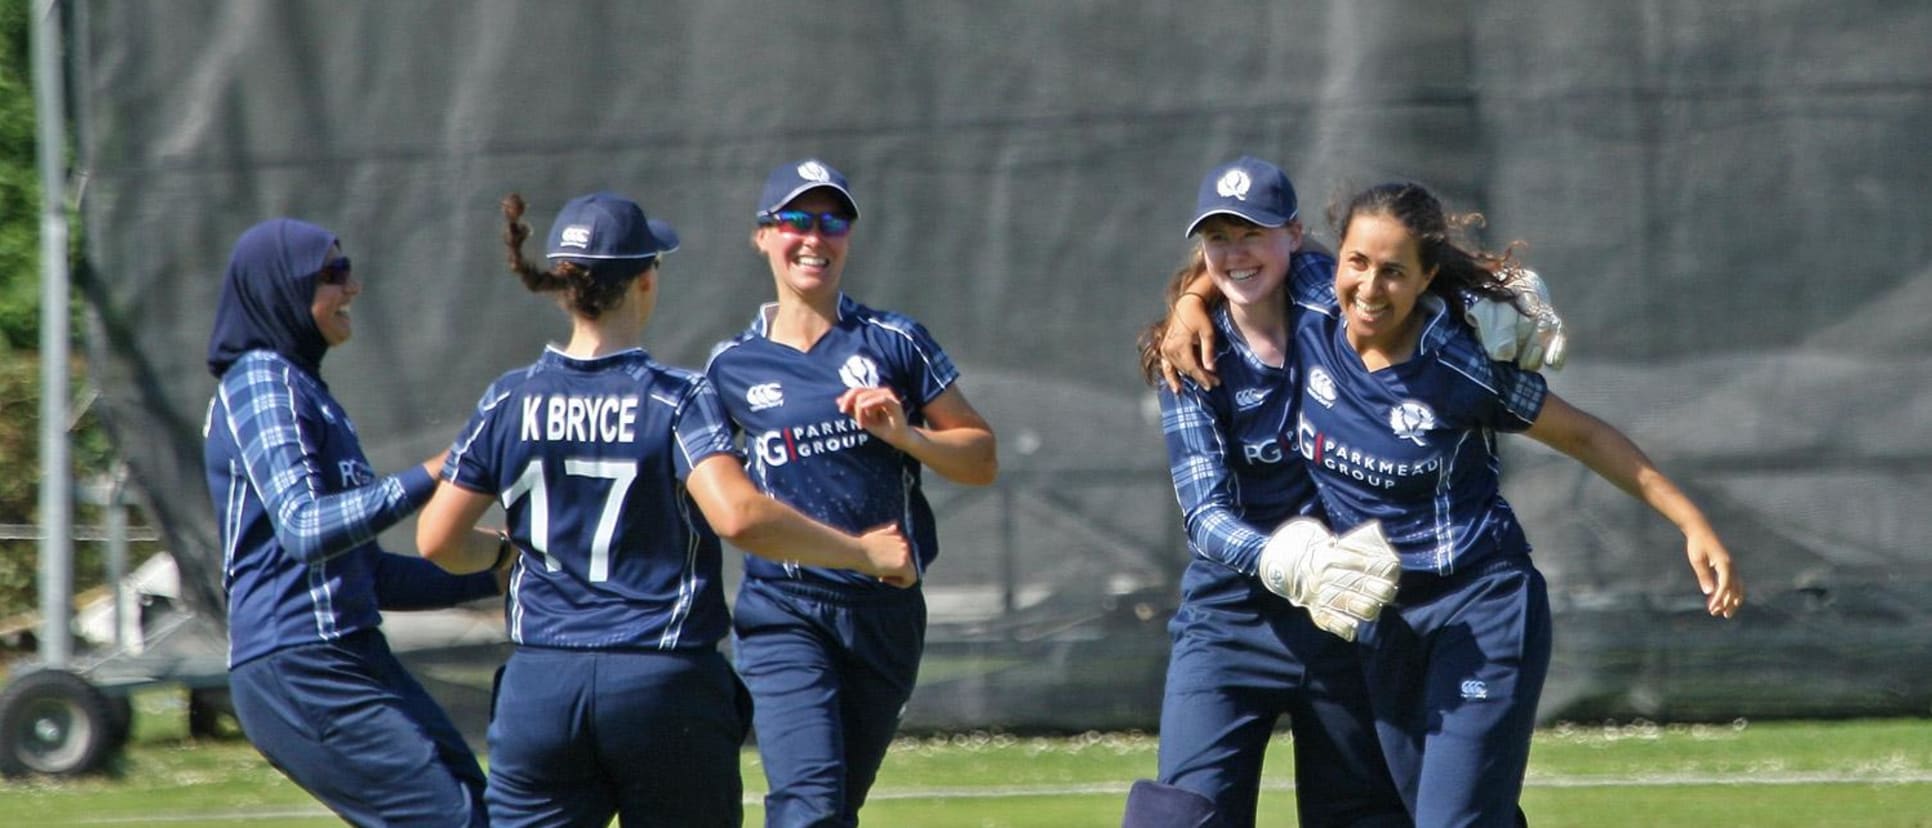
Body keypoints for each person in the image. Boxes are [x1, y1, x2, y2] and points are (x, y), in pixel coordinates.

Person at [414, 191, 919, 828]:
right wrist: (864, 552)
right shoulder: (677, 398)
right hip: (661, 676)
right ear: (647, 280)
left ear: (563, 286)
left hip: (540, 682)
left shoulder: (509, 397)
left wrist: (504, 553)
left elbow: (437, 540)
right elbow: (738, 516)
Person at [1283, 180, 1744, 825]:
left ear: (1426, 278)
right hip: (1383, 621)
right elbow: (1236, 261)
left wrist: (1691, 523)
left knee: (1454, 820)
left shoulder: (1457, 368)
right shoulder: (1307, 309)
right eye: (1356, 262)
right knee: (1443, 812)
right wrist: (1190, 304)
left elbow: (1583, 433)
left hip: (1478, 610)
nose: (1368, 286)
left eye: (1393, 271)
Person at [704, 159, 999, 827]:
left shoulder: (893, 341)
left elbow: (981, 458)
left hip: (885, 614)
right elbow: (713, 492)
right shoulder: (732, 366)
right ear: (762, 236)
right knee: (808, 807)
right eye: (797, 221)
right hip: (785, 609)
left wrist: (909, 436)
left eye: (833, 221)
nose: (816, 238)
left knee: (837, 808)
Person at [1122, 157, 1411, 828]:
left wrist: (1500, 292)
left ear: (1295, 234)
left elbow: (1404, 268)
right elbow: (1204, 517)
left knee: (1367, 816)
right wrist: (1291, 558)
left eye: (1251, 232)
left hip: (1347, 615)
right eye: (1217, 238)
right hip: (1231, 620)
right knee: (1181, 819)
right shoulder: (1191, 354)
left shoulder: (1332, 301)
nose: (1235, 253)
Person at [203, 217, 504, 827]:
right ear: (283, 290)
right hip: (299, 664)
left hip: (346, 651)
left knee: (481, 810)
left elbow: (369, 577)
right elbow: (304, 528)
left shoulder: (307, 391)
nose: (354, 288)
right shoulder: (262, 379)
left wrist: (504, 567)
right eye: (333, 274)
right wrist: (441, 471)